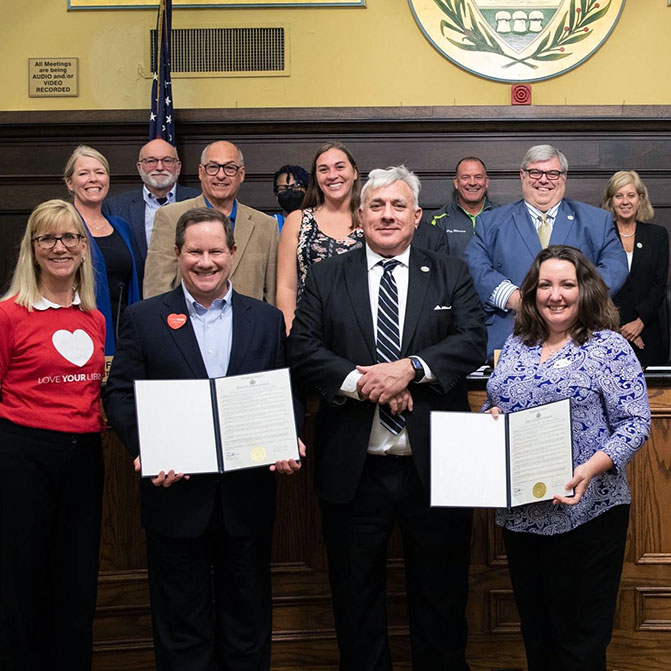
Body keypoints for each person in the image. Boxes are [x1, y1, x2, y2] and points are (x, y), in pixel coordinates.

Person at [287, 166, 486, 671]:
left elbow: (471, 340)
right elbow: (303, 349)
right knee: (355, 600)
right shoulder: (328, 276)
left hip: (435, 468)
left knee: (442, 599)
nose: (387, 215)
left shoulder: (451, 271)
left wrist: (410, 369)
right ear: (360, 215)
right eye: (376, 205)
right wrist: (368, 384)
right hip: (355, 467)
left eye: (398, 205)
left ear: (417, 217)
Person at [103, 207, 303, 671]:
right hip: (175, 496)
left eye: (216, 251)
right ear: (177, 254)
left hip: (247, 495)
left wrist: (288, 436)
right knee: (181, 628)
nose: (206, 262)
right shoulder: (144, 318)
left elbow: (284, 388)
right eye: (195, 251)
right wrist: (146, 448)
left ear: (232, 253)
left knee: (247, 624)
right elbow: (119, 394)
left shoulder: (266, 319)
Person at [484, 245, 650, 671]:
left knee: (580, 643)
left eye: (566, 285)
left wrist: (589, 469)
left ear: (585, 290)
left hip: (589, 514)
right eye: (545, 285)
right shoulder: (516, 344)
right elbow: (496, 403)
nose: (555, 295)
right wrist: (490, 418)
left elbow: (635, 422)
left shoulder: (609, 347)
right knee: (537, 636)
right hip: (522, 514)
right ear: (532, 293)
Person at [0, 199, 106, 671]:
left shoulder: (94, 318)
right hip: (23, 455)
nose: (59, 248)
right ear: (32, 247)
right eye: (47, 238)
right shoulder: (8, 315)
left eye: (69, 237)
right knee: (21, 580)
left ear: (83, 247)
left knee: (77, 580)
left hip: (84, 456)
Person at [464, 144, 628, 357]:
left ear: (564, 177)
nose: (543, 180)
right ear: (522, 175)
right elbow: (475, 266)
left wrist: (577, 296)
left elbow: (616, 266)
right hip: (511, 337)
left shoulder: (597, 220)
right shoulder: (490, 222)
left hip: (581, 338)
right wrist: (514, 298)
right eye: (535, 172)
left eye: (552, 173)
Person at [276, 141, 448, 332]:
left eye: (340, 167)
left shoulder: (375, 219)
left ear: (355, 172)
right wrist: (292, 334)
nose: (332, 175)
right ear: (316, 177)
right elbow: (286, 287)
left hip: (367, 330)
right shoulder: (298, 220)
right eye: (323, 169)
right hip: (310, 327)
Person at [143, 140, 278, 304]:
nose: (221, 175)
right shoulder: (171, 217)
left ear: (241, 174)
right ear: (201, 172)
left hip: (247, 320)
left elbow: (272, 295)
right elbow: (157, 288)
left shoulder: (266, 226)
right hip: (184, 319)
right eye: (213, 167)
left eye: (230, 168)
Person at [64, 144, 141, 354]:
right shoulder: (63, 227)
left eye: (99, 172)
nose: (93, 179)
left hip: (123, 334)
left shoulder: (121, 226)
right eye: (83, 173)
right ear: (70, 183)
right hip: (78, 335)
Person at [102, 138, 200, 291]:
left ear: (178, 166)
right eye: (151, 161)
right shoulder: (115, 207)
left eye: (167, 161)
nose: (159, 167)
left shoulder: (198, 202)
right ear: (139, 167)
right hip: (133, 296)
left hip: (190, 293)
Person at [602, 170, 669, 366]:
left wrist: (639, 323)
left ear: (640, 199)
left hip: (648, 330)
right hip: (609, 330)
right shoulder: (601, 235)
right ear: (611, 201)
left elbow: (659, 286)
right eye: (619, 196)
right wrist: (621, 329)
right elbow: (596, 285)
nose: (625, 201)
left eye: (631, 195)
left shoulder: (658, 235)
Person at [422, 156, 498, 259]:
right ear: (456, 183)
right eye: (465, 177)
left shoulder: (503, 216)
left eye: (478, 177)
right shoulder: (438, 220)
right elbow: (432, 260)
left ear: (486, 182)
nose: (472, 183)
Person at [271, 163, 309, 232]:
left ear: (307, 191)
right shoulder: (270, 224)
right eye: (283, 189)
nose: (290, 192)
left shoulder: (319, 221)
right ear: (276, 195)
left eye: (296, 187)